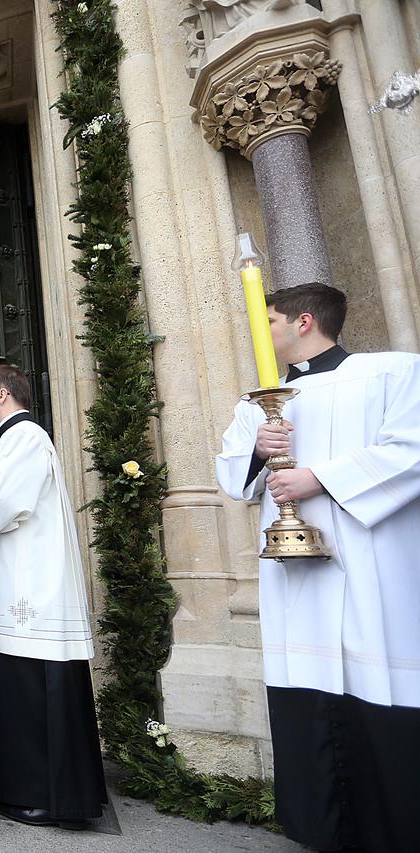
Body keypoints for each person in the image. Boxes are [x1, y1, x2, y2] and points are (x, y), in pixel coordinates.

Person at [216, 283, 420, 852]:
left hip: (370, 567)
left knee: (376, 685)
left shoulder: (395, 374)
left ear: (304, 321)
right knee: (306, 693)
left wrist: (320, 477)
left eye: (270, 321)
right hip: (297, 588)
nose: (264, 334)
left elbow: (413, 450)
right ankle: (318, 828)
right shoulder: (259, 399)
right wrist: (259, 449)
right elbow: (232, 477)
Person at [0, 364, 106, 828]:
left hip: (31, 590)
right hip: (24, 582)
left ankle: (44, 795)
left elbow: (1, 504)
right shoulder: (21, 439)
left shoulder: (25, 437)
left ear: (4, 394)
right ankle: (38, 788)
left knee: (32, 692)